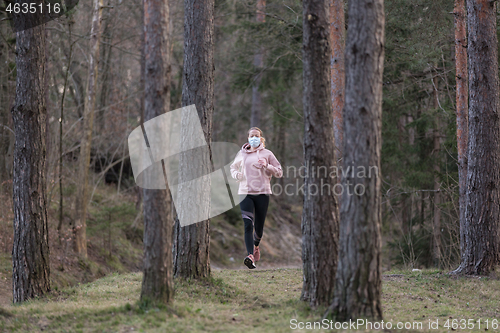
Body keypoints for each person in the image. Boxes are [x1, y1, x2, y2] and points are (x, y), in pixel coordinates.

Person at [230, 127, 283, 269]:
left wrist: (267, 166)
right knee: (248, 224)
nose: (254, 138)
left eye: (257, 136)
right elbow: (232, 168)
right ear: (248, 138)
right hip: (245, 193)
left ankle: (256, 247)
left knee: (258, 228)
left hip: (262, 193)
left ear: (261, 138)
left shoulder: (267, 154)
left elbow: (279, 172)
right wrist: (237, 175)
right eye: (252, 135)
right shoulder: (241, 154)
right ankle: (250, 256)